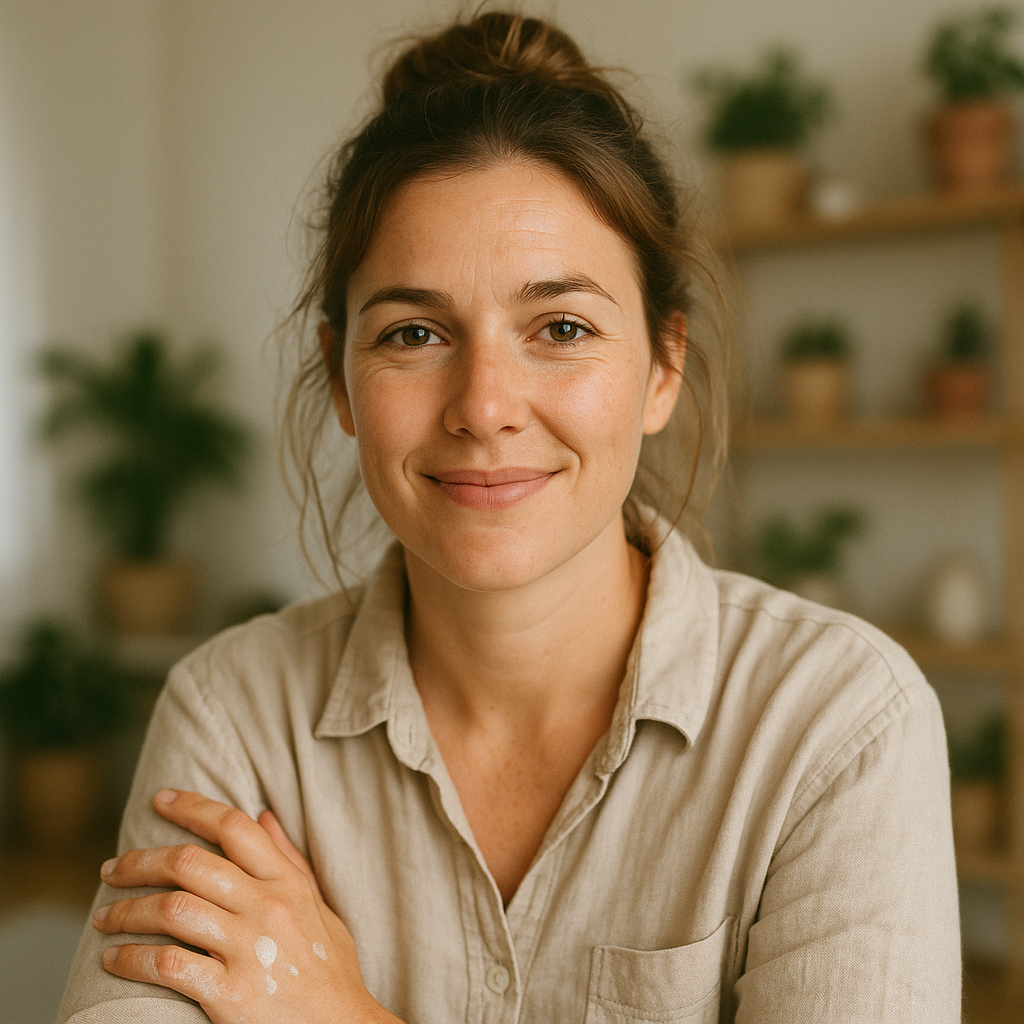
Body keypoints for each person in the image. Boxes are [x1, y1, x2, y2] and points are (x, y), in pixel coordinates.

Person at [59, 11, 960, 1023]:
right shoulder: (232, 720)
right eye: (414, 331)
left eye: (561, 327)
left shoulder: (839, 726)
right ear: (341, 379)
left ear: (662, 365)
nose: (484, 404)